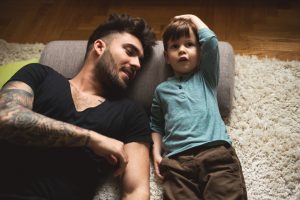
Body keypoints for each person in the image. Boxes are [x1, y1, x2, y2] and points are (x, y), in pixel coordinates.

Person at [0, 14, 156, 200]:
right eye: (130, 52)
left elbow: (136, 192)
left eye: (140, 59)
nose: (137, 64)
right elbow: (6, 117)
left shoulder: (131, 113)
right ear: (99, 47)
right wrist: (91, 139)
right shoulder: (39, 75)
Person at [150, 14, 247, 200]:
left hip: (216, 155)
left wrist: (191, 17)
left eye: (189, 44)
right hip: (177, 163)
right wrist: (156, 152)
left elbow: (210, 41)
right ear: (166, 57)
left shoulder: (206, 77)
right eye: (175, 46)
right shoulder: (161, 90)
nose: (182, 50)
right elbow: (155, 124)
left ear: (200, 53)